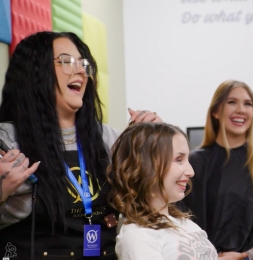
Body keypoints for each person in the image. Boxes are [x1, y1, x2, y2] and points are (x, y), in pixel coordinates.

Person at [0, 31, 161, 259]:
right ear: (36, 72)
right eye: (66, 61)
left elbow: (152, 204)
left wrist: (156, 145)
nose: (80, 71)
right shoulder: (6, 141)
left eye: (83, 63)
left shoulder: (111, 139)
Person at [181, 80, 253, 260]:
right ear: (216, 111)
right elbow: (178, 221)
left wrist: (246, 256)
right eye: (232, 102)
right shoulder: (192, 164)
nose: (241, 109)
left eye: (248, 104)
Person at [108, 122, 219, 259]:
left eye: (187, 160)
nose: (191, 172)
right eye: (179, 159)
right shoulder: (137, 236)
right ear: (146, 166)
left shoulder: (187, 224)